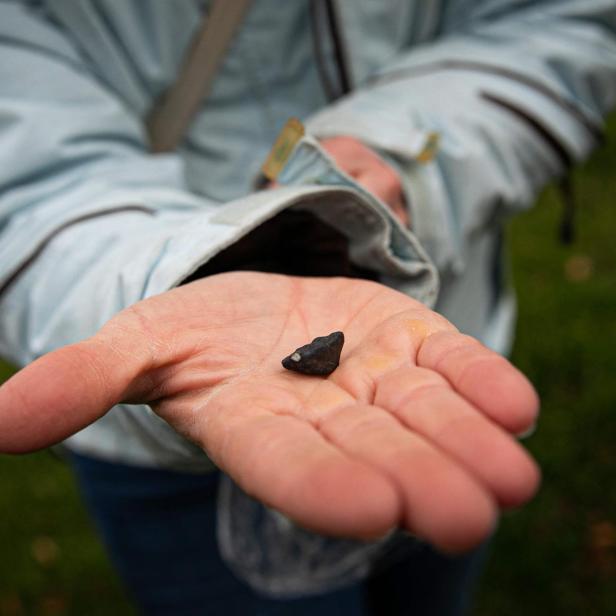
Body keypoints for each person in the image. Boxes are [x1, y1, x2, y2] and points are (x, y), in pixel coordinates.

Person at [0, 1, 614, 614]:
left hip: (432, 365)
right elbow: (26, 175)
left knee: (429, 578)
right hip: (160, 452)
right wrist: (181, 277)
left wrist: (394, 149)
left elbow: (565, 23)